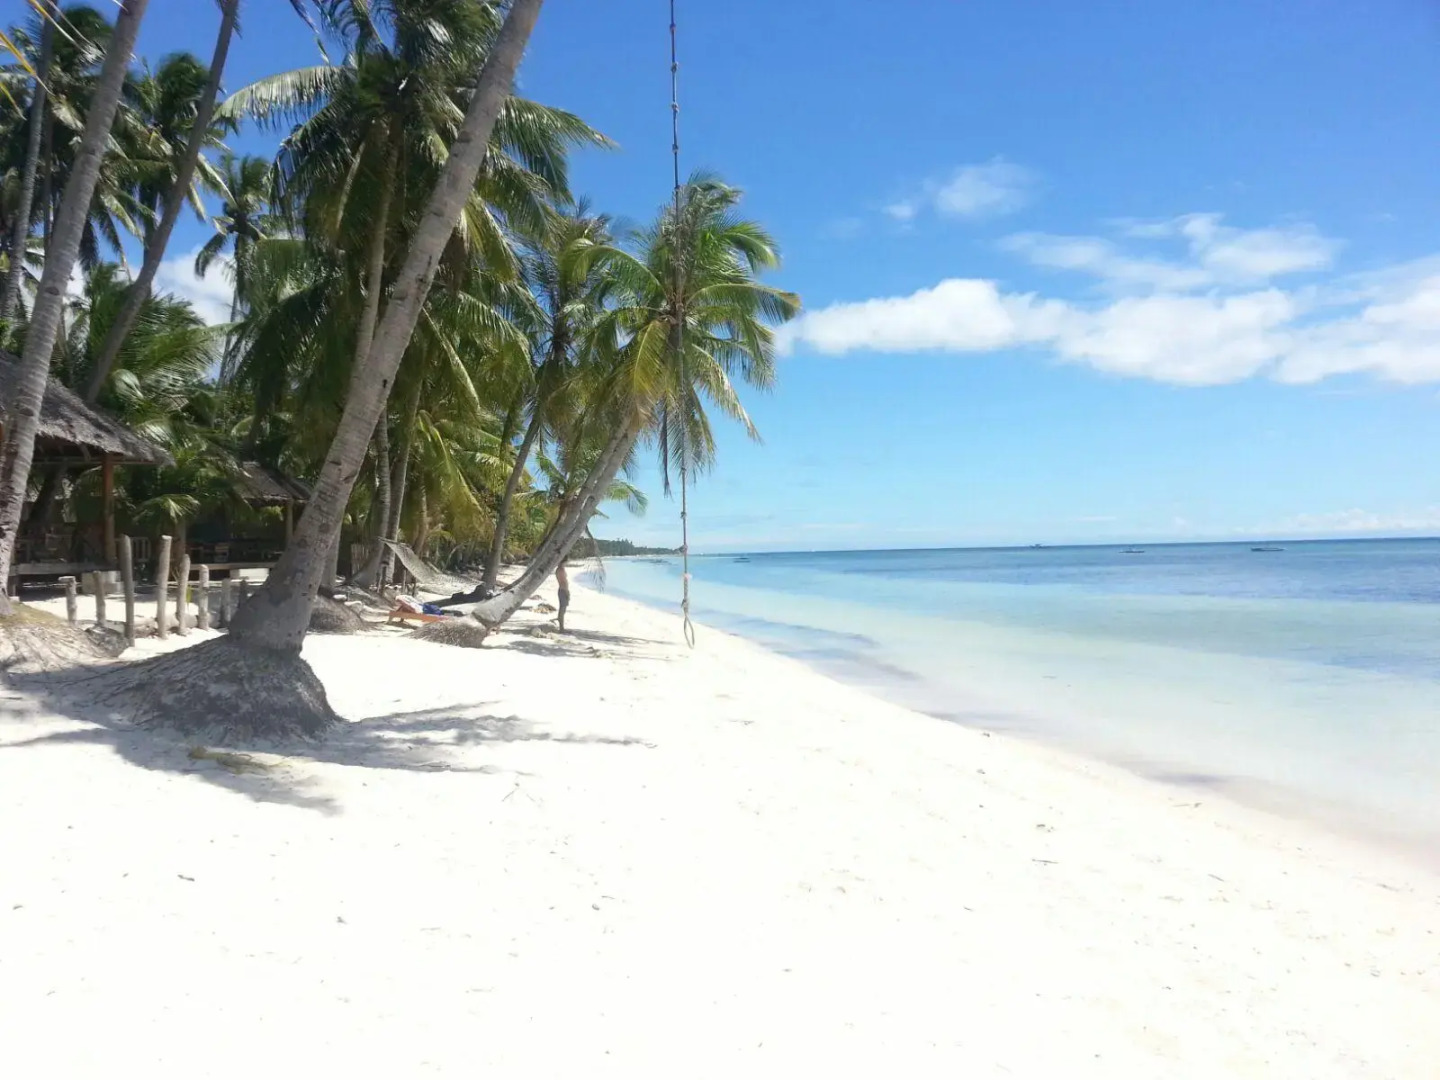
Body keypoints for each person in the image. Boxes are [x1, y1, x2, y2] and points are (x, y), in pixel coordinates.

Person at [555, 564, 570, 632]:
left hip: (562, 590)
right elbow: (563, 582)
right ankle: (561, 628)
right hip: (563, 590)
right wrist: (567, 592)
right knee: (562, 609)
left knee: (562, 609)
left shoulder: (559, 569)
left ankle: (561, 626)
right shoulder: (560, 570)